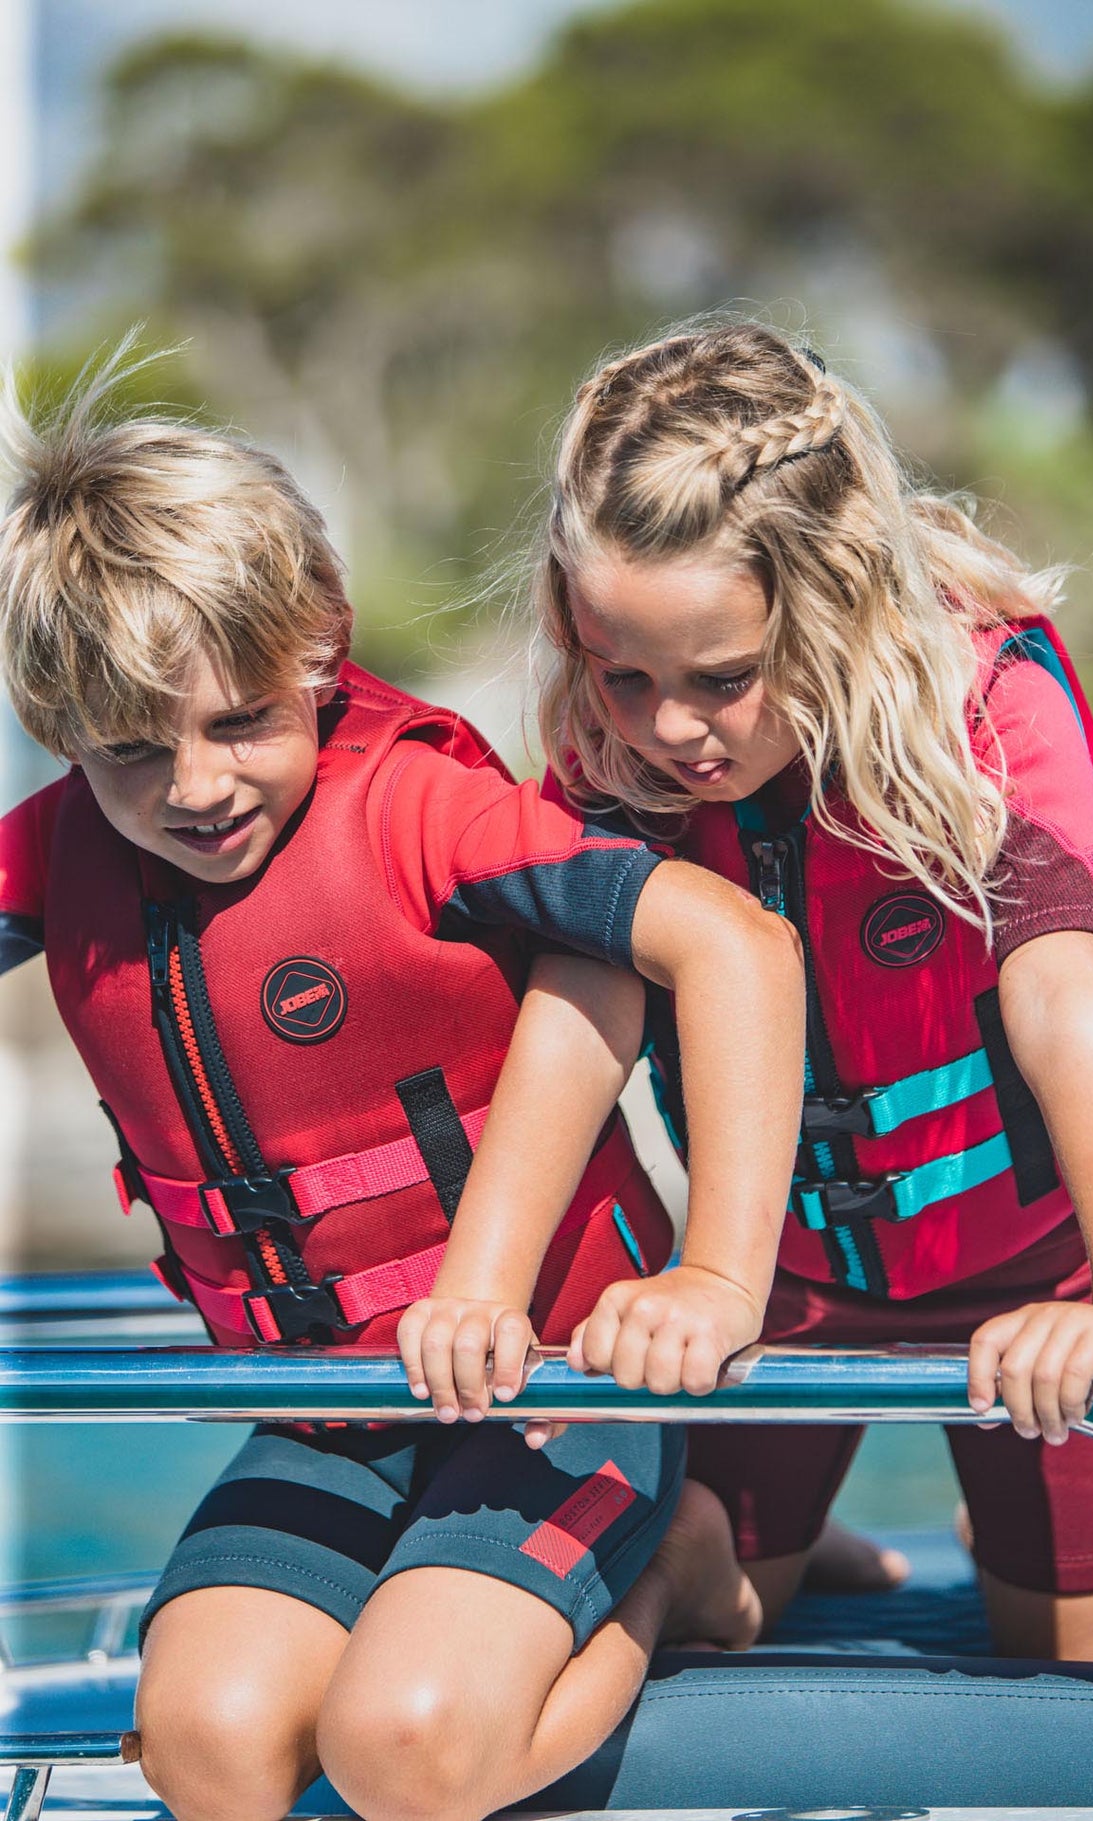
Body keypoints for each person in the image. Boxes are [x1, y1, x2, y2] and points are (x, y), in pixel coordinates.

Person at [0, 343, 805, 1821]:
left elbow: (736, 946)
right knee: (209, 1746)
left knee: (403, 1746)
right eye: (127, 750)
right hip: (335, 1401)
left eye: (240, 719)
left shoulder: (421, 807)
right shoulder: (63, 848)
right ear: (63, 730)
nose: (191, 786)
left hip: (552, 1381)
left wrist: (713, 1280)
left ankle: (675, 1555)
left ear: (319, 643)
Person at [531, 318, 1093, 1666]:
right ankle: (783, 1538)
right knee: (695, 1610)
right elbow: (571, 1020)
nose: (667, 728)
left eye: (720, 679)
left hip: (1026, 1276)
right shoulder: (607, 758)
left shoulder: (989, 712)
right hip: (781, 1281)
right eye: (626, 674)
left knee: (1091, 1678)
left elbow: (1066, 997)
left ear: (829, 606)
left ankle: (842, 1527)